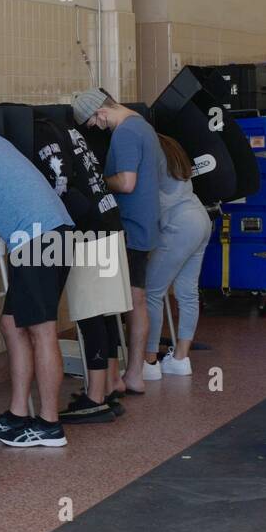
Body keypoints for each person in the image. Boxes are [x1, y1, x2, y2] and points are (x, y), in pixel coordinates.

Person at [0, 130, 76, 448]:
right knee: (11, 323)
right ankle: (18, 412)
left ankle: (50, 423)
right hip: (56, 231)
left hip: (37, 238)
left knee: (42, 330)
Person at [26, 113, 127, 424]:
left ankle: (94, 399)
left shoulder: (43, 133)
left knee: (90, 314)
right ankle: (110, 386)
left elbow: (60, 182)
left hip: (88, 229)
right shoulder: (70, 130)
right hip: (108, 218)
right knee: (107, 313)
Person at [73, 88, 163, 394]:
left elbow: (126, 182)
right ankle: (133, 374)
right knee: (136, 299)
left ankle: (119, 377)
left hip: (129, 225)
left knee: (122, 302)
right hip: (146, 222)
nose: (95, 130)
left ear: (99, 112)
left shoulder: (124, 133)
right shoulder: (144, 126)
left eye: (92, 124)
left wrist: (96, 181)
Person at [141, 135, 214, 378]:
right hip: (200, 216)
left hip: (180, 224)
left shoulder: (149, 150)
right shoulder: (171, 144)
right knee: (187, 291)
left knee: (152, 292)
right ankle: (181, 359)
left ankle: (149, 363)